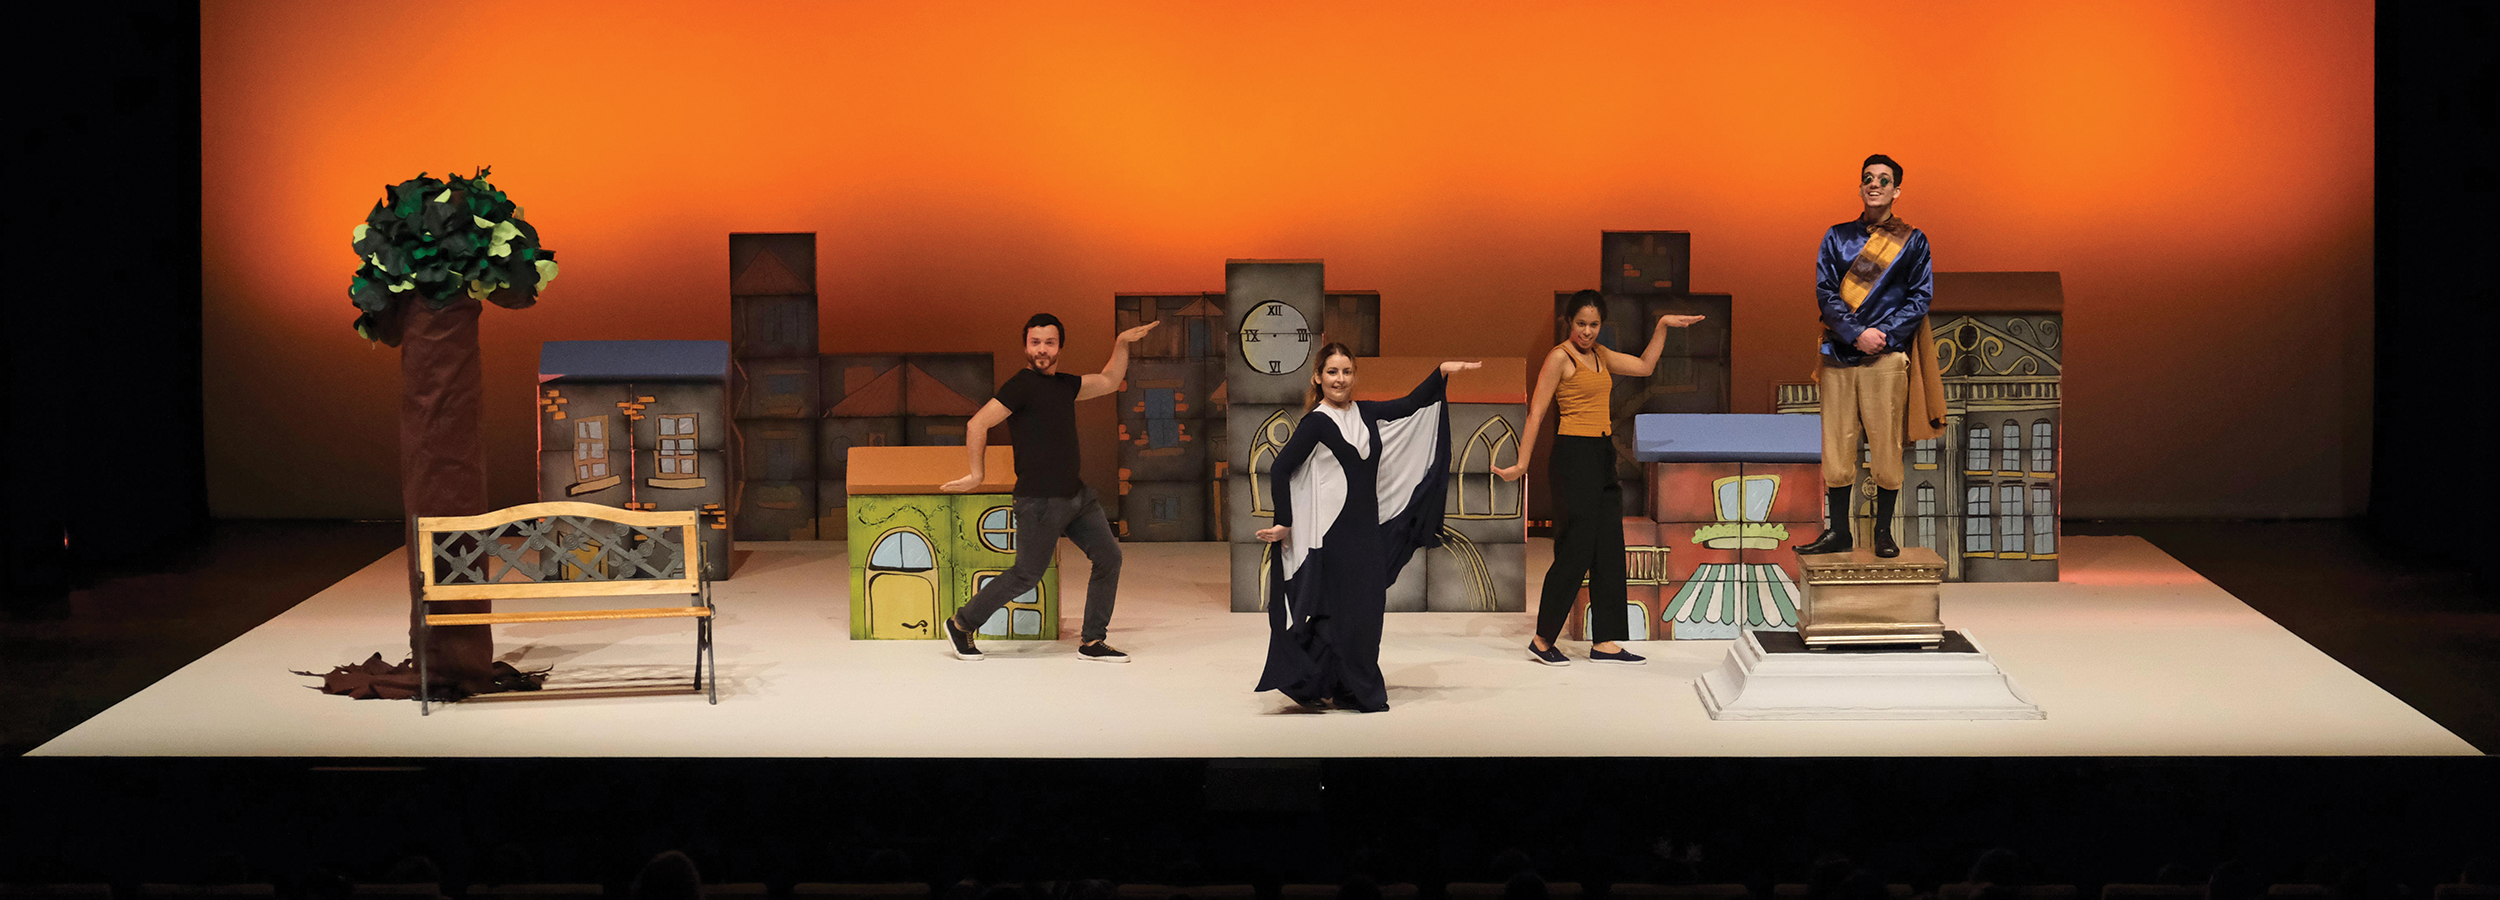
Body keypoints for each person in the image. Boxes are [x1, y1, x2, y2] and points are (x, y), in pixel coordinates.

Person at [1253, 344, 1479, 711]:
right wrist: (1284, 522)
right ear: (1317, 377)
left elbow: (1410, 405)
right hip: (1335, 536)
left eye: (1346, 372)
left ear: (1354, 375)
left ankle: (1331, 683)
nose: (1339, 379)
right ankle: (1357, 689)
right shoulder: (1317, 422)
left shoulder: (1367, 413)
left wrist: (1440, 372)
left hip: (1366, 532)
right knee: (1349, 612)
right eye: (1332, 372)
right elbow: (1280, 469)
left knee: (1366, 612)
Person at [1496, 290, 1704, 665]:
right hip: (1573, 457)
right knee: (1576, 549)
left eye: (1594, 325)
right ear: (1569, 322)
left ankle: (1605, 640)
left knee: (1609, 548)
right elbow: (1537, 413)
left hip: (1602, 454)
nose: (1587, 332)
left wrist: (1661, 326)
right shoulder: (1559, 358)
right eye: (1581, 324)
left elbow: (1645, 367)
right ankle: (1542, 639)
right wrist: (1522, 463)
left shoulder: (1601, 355)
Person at [937, 313, 1159, 662]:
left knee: (1109, 558)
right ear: (1026, 346)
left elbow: (1109, 380)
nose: (1042, 349)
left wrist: (1121, 344)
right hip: (1039, 501)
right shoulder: (1020, 386)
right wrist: (976, 475)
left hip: (1077, 496)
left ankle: (1092, 641)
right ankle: (961, 623)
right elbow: (977, 424)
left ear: (1059, 347)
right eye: (1035, 342)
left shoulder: (1066, 385)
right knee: (1026, 574)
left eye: (1049, 343)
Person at [1794, 153, 1946, 559]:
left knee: (1885, 446)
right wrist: (1856, 333)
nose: (1874, 184)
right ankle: (1839, 531)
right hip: (1839, 353)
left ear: (1897, 190)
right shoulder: (1836, 236)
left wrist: (1884, 336)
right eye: (1868, 178)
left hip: (1886, 356)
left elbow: (1920, 298)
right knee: (1836, 447)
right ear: (1860, 187)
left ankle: (1883, 532)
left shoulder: (1913, 241)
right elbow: (1826, 293)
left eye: (1883, 179)